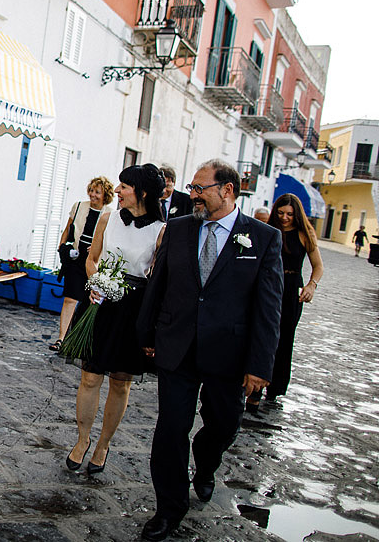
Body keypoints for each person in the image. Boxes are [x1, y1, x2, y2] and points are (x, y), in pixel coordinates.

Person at [136, 160, 282, 541]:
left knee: (223, 425)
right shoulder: (179, 228)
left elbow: (269, 308)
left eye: (200, 188)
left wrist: (260, 364)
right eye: (193, 187)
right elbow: (159, 282)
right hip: (177, 347)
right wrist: (147, 333)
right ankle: (169, 508)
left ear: (228, 190)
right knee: (170, 429)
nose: (193, 194)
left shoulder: (263, 238)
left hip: (228, 355)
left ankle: (205, 465)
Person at [63, 165, 165, 475]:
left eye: (124, 187)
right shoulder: (107, 219)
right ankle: (82, 440)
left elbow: (158, 278)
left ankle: (103, 444)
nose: (117, 192)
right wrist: (95, 284)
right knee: (89, 376)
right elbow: (92, 259)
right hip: (100, 303)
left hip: (133, 310)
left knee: (120, 384)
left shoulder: (161, 230)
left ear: (143, 193)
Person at [246, 193, 323, 413]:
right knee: (262, 333)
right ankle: (255, 386)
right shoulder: (269, 231)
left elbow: (318, 266)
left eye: (289, 214)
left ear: (296, 214)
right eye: (281, 213)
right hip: (267, 286)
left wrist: (311, 285)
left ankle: (275, 386)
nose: (285, 218)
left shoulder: (304, 234)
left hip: (291, 290)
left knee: (285, 337)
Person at [49, 176, 114, 352]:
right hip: (76, 259)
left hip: (94, 262)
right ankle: (61, 339)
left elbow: (109, 240)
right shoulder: (78, 207)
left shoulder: (110, 214)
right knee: (70, 298)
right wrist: (62, 246)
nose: (93, 195)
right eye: (91, 190)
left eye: (97, 192)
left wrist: (97, 248)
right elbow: (68, 228)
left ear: (105, 195)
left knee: (89, 301)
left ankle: (78, 340)